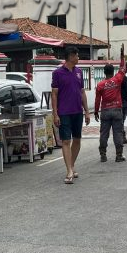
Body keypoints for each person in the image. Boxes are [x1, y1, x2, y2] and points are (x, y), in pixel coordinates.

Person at [51, 46, 91, 184]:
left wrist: (87, 111)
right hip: (64, 113)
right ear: (70, 56)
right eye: (77, 55)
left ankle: (71, 165)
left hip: (77, 111)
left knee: (77, 140)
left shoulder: (79, 72)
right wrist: (55, 114)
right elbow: (54, 95)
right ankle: (69, 171)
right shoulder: (57, 73)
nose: (78, 58)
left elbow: (82, 92)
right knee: (66, 141)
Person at [94, 59, 127, 162]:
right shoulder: (118, 79)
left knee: (104, 134)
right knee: (118, 133)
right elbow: (122, 69)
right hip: (117, 109)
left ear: (104, 72)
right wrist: (122, 58)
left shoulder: (100, 85)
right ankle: (119, 155)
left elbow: (97, 100)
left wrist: (96, 112)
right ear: (113, 72)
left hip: (105, 111)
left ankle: (103, 155)